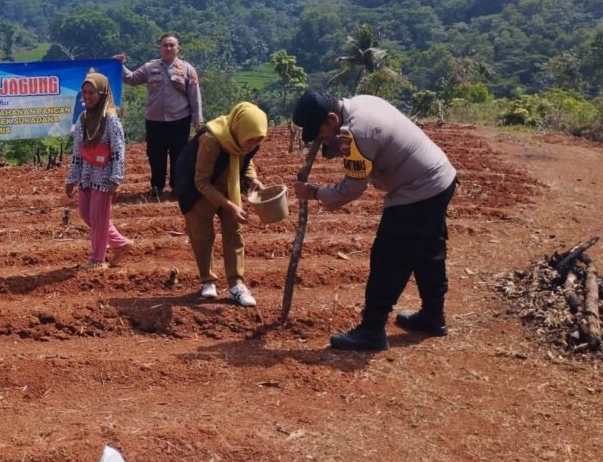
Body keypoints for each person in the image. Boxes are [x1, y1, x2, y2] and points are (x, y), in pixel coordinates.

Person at [291, 90, 458, 351]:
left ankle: (371, 329)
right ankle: (433, 317)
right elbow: (360, 149)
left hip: (418, 189)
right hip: (440, 178)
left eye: (320, 130)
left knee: (389, 256)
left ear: (333, 118)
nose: (321, 137)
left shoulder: (357, 132)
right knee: (428, 251)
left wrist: (314, 193)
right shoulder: (361, 104)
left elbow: (353, 188)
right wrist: (333, 143)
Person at [175, 102, 268, 307]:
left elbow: (246, 159)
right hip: (197, 190)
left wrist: (252, 178)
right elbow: (201, 181)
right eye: (250, 141)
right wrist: (231, 206)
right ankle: (207, 280)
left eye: (256, 142)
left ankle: (236, 285)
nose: (251, 145)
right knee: (202, 236)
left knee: (235, 234)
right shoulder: (212, 140)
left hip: (228, 184)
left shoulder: (244, 138)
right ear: (239, 130)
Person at [114, 33, 203, 199]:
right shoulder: (150, 67)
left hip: (179, 120)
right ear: (160, 48)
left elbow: (194, 95)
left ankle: (178, 187)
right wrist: (119, 65)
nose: (168, 48)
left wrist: (198, 119)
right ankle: (157, 187)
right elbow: (131, 79)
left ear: (178, 48)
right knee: (155, 155)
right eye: (165, 45)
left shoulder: (187, 69)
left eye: (172, 45)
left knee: (179, 155)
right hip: (154, 121)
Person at [65, 73, 132, 270]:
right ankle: (120, 243)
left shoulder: (111, 120)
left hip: (103, 176)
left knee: (98, 218)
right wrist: (72, 178)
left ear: (102, 93)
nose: (87, 97)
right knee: (86, 214)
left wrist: (116, 178)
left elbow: (119, 150)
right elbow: (77, 151)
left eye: (91, 93)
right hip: (87, 173)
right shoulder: (83, 118)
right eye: (84, 93)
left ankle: (97, 259)